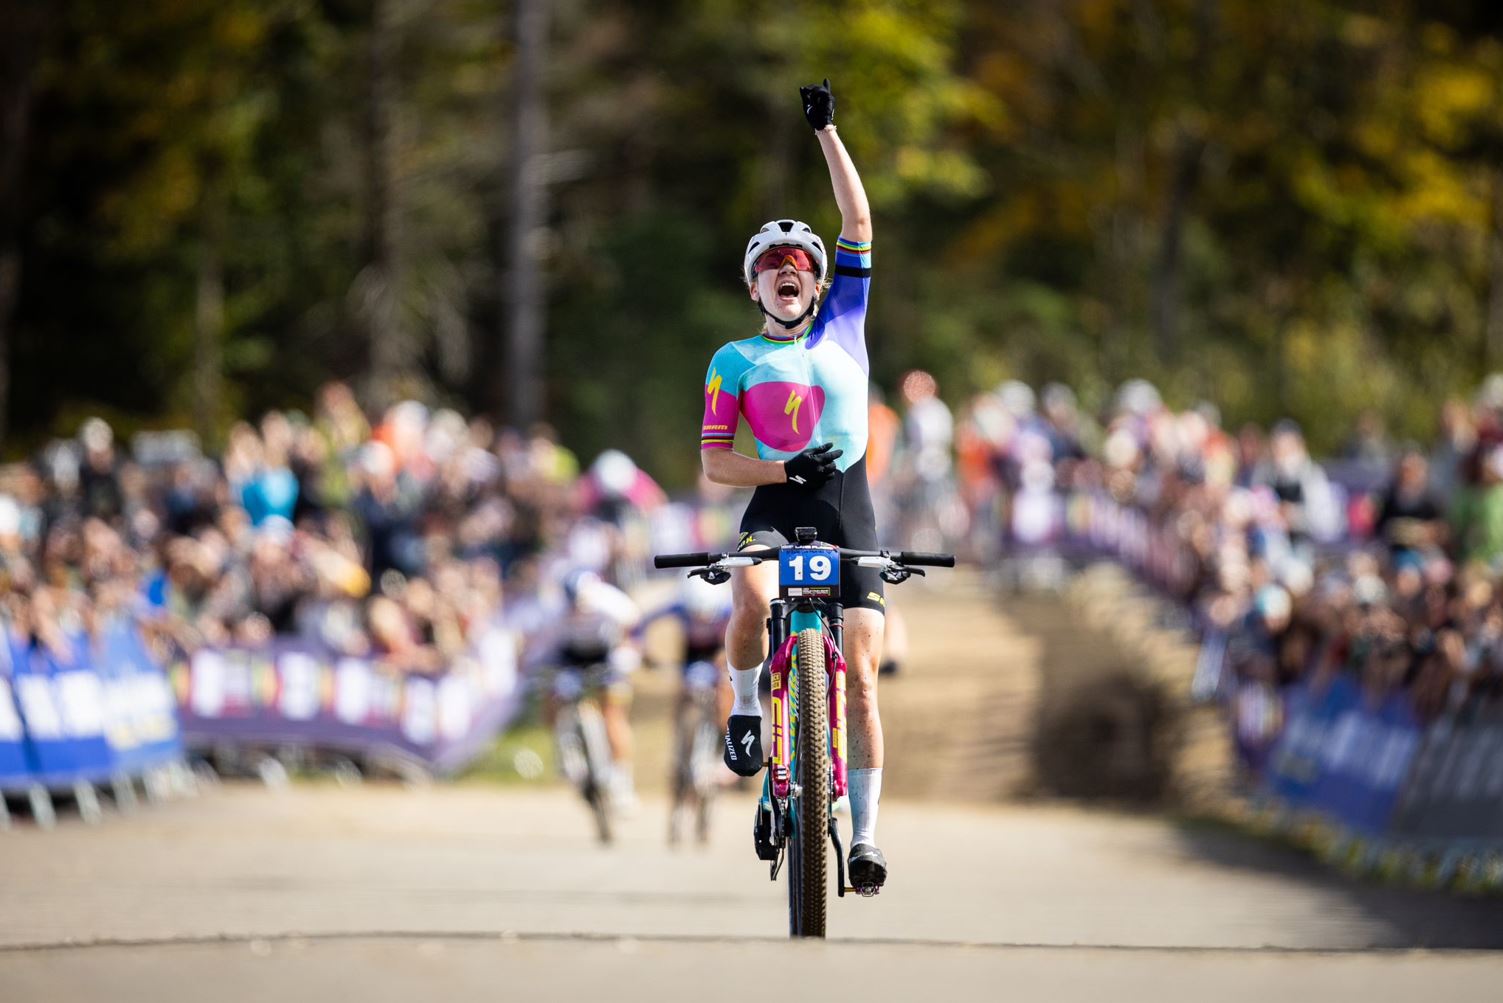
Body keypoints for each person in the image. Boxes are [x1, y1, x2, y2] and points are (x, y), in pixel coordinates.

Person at [697, 79, 889, 891]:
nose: (787, 271)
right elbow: (714, 462)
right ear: (753, 287)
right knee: (747, 593)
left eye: (798, 265)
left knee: (865, 671)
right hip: (775, 503)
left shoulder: (845, 320)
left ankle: (870, 833)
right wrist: (782, 468)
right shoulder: (731, 362)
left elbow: (858, 223)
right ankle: (747, 705)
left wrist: (828, 133)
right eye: (770, 265)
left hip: (847, 505)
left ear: (817, 283)